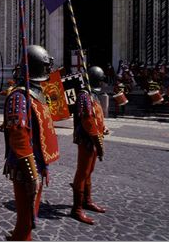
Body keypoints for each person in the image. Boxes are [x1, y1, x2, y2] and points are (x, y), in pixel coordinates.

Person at [4, 45, 59, 241]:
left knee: (30, 214)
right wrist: (31, 173)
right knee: (26, 218)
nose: (48, 71)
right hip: (25, 166)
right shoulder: (19, 97)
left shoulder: (36, 94)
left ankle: (20, 236)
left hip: (38, 162)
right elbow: (18, 136)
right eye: (46, 67)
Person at [70, 66, 108, 225]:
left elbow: (97, 116)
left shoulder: (94, 95)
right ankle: (77, 208)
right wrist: (96, 138)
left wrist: (103, 127)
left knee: (89, 171)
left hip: (94, 137)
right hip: (87, 138)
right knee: (82, 171)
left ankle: (87, 200)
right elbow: (87, 119)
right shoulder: (84, 96)